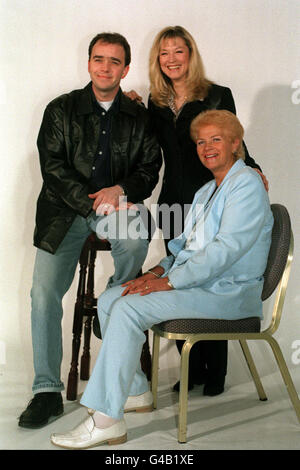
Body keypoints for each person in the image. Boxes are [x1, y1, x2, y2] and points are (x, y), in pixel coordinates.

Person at [50, 109, 273, 449]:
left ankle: (106, 420)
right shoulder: (207, 192)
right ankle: (137, 390)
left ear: (235, 143)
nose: (207, 147)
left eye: (216, 139)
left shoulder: (247, 184)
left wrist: (168, 283)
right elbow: (182, 249)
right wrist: (154, 273)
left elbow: (225, 250)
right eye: (201, 141)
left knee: (127, 310)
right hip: (201, 285)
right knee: (113, 298)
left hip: (230, 292)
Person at [18, 32, 162, 429]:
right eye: (99, 59)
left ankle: (110, 304)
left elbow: (149, 169)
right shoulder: (60, 109)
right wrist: (89, 200)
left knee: (136, 232)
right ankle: (46, 391)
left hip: (115, 206)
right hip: (63, 212)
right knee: (43, 293)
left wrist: (122, 190)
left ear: (125, 69)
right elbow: (53, 168)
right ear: (88, 64)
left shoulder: (138, 117)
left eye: (114, 61)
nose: (105, 67)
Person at [147, 25, 268, 395]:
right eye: (164, 53)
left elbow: (233, 139)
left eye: (178, 51)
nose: (171, 59)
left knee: (215, 276)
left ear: (190, 54)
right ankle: (192, 367)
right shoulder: (155, 101)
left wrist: (254, 168)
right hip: (173, 201)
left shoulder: (216, 93)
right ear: (158, 60)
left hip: (213, 197)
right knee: (186, 273)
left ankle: (214, 371)